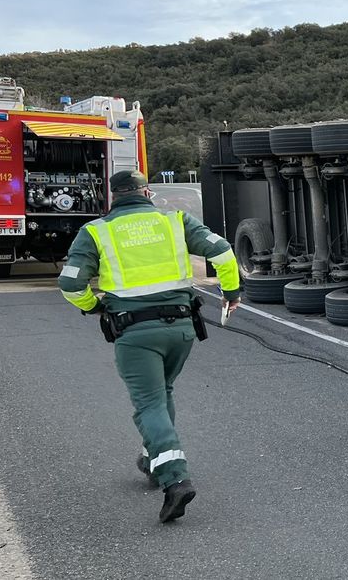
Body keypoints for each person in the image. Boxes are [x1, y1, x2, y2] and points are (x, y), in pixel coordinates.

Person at [57, 170, 241, 522]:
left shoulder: (96, 231)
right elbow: (222, 252)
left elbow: (70, 283)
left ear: (112, 197)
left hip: (136, 332)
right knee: (162, 392)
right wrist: (231, 292)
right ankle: (151, 459)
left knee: (149, 403)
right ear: (147, 192)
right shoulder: (176, 220)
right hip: (182, 328)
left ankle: (175, 479)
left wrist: (93, 305)